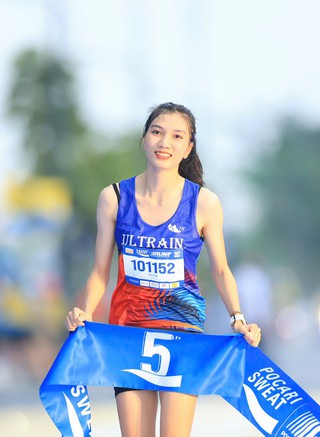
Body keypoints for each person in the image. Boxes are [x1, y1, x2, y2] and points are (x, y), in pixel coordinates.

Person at [65, 102, 262, 437]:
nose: (164, 143)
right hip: (128, 334)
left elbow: (221, 271)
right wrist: (83, 311)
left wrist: (238, 318)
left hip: (182, 332)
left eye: (176, 136)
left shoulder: (204, 203)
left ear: (187, 148)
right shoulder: (113, 198)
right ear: (144, 139)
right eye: (156, 132)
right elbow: (100, 272)